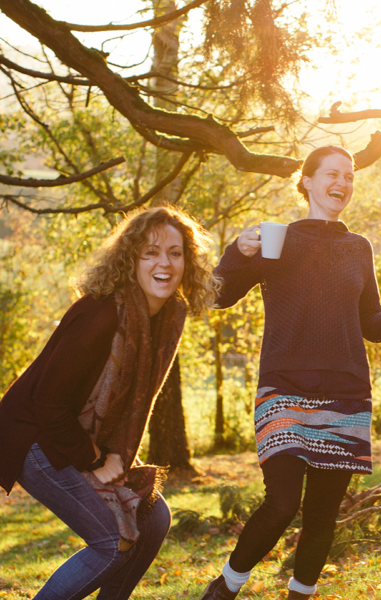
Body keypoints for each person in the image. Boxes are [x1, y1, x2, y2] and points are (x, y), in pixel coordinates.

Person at [200, 146, 381, 600]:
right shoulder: (278, 239)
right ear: (306, 181)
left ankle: (300, 594)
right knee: (282, 503)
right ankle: (225, 588)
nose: (341, 182)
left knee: (323, 515)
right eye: (331, 174)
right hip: (284, 389)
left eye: (349, 175)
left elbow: (371, 322)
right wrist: (236, 251)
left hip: (345, 394)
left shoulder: (357, 247)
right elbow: (217, 295)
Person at [0, 206, 219, 599]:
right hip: (32, 437)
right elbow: (47, 402)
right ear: (130, 259)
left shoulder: (165, 317)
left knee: (154, 519)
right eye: (149, 252)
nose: (164, 263)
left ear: (187, 261)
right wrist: (97, 459)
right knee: (111, 543)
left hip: (73, 435)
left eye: (175, 252)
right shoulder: (101, 314)